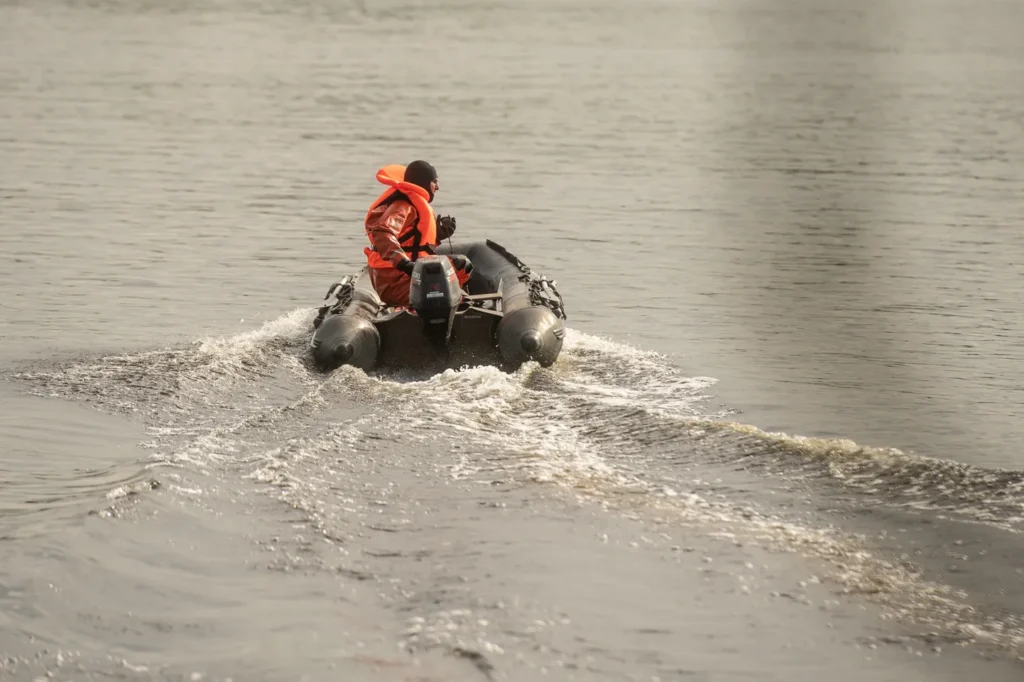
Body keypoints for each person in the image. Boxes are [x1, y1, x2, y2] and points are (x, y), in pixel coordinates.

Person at [363, 161, 472, 307]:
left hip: (408, 274)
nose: (438, 187)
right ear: (424, 182)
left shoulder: (412, 204)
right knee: (452, 276)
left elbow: (411, 243)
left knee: (462, 265)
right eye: (434, 182)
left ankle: (455, 300)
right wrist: (404, 263)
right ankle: (453, 303)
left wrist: (438, 236)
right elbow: (382, 233)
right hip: (396, 279)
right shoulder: (403, 206)